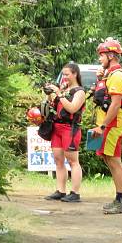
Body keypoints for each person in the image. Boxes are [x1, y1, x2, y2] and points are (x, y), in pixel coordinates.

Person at [91, 38, 122, 214]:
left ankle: (121, 200)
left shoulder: (117, 76)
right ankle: (118, 198)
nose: (100, 59)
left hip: (112, 125)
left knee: (114, 160)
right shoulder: (109, 75)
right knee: (108, 159)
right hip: (107, 124)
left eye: (102, 55)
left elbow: (115, 104)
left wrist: (103, 126)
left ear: (111, 55)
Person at [43, 63, 86, 203]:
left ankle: (75, 192)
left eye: (67, 74)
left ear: (75, 74)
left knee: (73, 161)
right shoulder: (64, 89)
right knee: (58, 160)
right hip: (57, 127)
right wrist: (50, 94)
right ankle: (60, 190)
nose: (65, 77)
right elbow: (53, 105)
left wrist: (59, 93)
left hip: (70, 128)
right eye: (63, 74)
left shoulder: (79, 92)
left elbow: (72, 108)